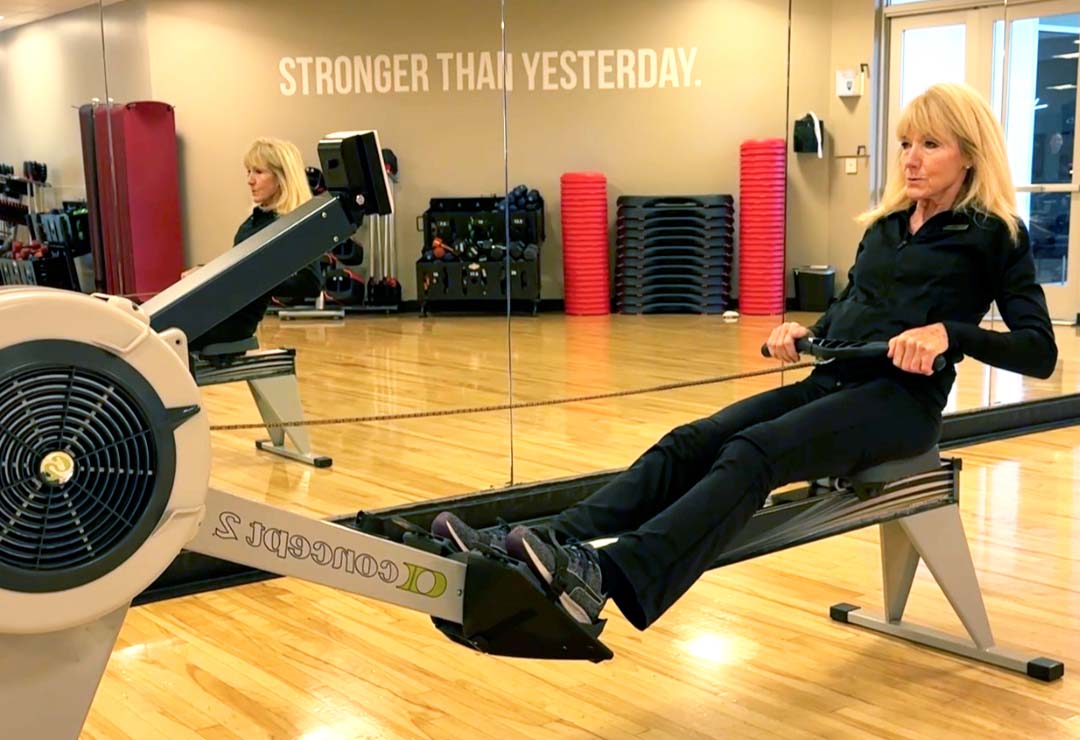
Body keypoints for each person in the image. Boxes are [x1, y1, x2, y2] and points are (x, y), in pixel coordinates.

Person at [432, 82, 1059, 631]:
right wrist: (802, 332)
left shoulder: (995, 235)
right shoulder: (886, 226)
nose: (911, 159)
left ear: (970, 154)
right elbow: (857, 307)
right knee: (689, 441)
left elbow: (1039, 352)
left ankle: (607, 572)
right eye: (904, 143)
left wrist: (954, 333)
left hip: (899, 403)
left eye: (930, 145)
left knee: (753, 453)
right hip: (833, 383)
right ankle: (544, 541)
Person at [187, 137, 322, 350]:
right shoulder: (251, 224)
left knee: (155, 338)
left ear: (281, 178)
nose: (250, 180)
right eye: (248, 172)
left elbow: (311, 284)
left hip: (231, 326)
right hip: (216, 312)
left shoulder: (290, 226)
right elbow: (234, 274)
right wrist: (206, 272)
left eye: (258, 172)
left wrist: (251, 276)